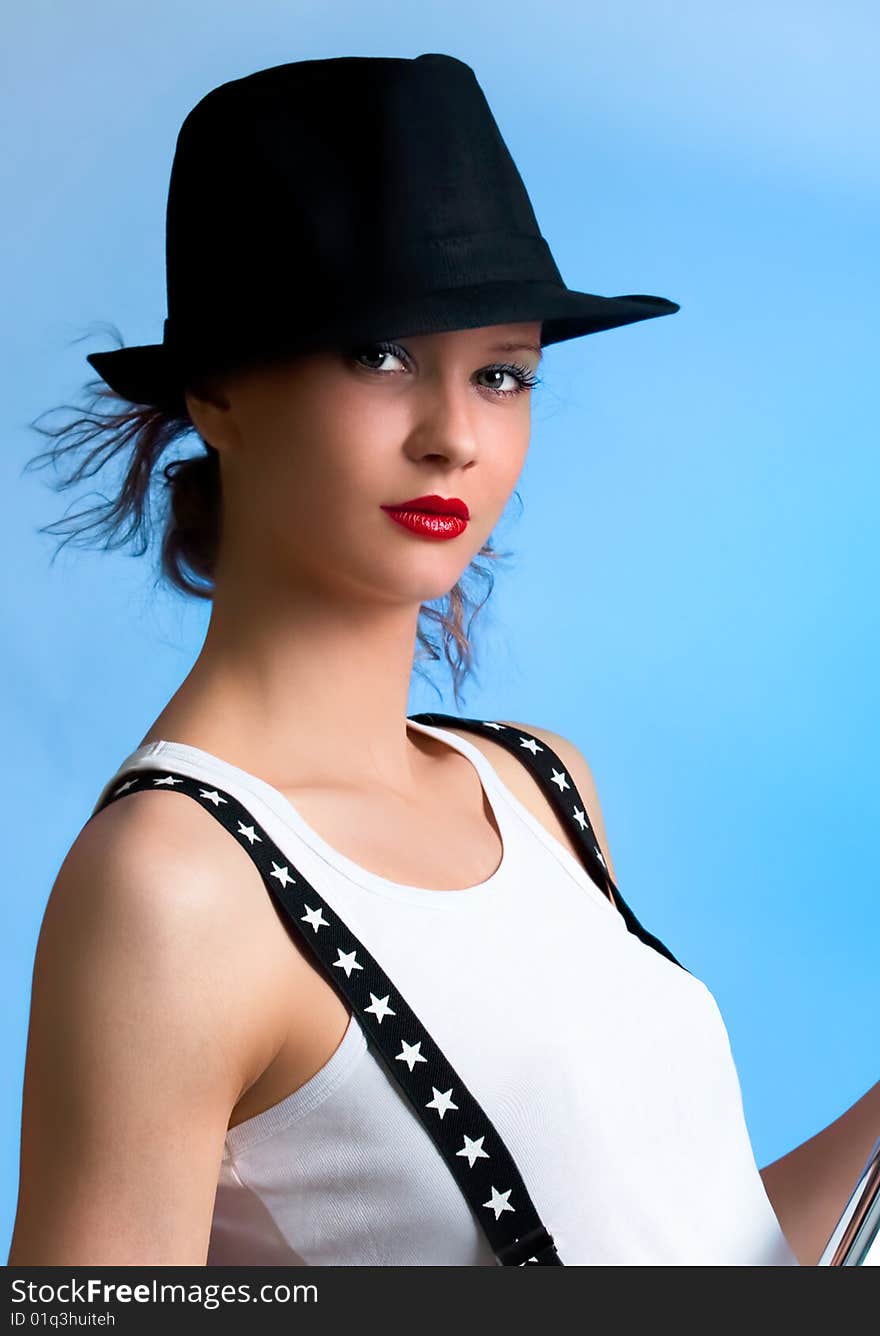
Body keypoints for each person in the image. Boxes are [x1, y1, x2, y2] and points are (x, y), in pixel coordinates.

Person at [8, 53, 878, 1269]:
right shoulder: (176, 883)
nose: (454, 435)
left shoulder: (539, 785)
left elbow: (695, 1262)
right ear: (213, 387)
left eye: (502, 373)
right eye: (378, 356)